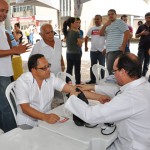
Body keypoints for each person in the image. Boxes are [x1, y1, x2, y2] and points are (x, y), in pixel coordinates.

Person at [65, 53, 150, 150]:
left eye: (114, 71)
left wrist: (72, 98)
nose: (114, 75)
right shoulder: (144, 86)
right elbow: (117, 91)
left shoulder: (129, 98)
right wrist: (93, 87)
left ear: (123, 72)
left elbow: (91, 115)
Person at [15, 54, 109, 129]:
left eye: (48, 66)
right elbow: (25, 108)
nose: (48, 70)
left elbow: (74, 90)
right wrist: (45, 117)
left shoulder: (50, 77)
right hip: (27, 122)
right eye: (44, 68)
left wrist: (99, 97)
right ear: (33, 70)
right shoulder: (22, 82)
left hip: (47, 119)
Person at [0, 0, 30, 132]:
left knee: (6, 104)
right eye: (1, 10)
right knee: (7, 106)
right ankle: (13, 136)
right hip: (1, 74)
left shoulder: (2, 28)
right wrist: (15, 50)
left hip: (5, 72)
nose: (4, 14)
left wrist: (14, 49)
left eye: (6, 11)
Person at [100, 9, 130, 74]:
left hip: (116, 50)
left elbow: (127, 32)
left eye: (112, 14)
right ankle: (113, 83)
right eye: (109, 14)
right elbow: (101, 34)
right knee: (110, 69)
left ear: (116, 15)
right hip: (109, 50)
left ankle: (114, 83)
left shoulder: (119, 22)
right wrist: (105, 25)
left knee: (112, 70)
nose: (110, 15)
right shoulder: (107, 24)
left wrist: (123, 46)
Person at [85, 15, 106, 84]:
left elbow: (108, 39)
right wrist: (86, 46)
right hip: (93, 51)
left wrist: (105, 49)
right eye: (95, 19)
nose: (96, 20)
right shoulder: (92, 28)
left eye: (98, 19)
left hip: (102, 52)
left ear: (101, 20)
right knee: (93, 67)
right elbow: (86, 37)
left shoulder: (104, 28)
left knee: (102, 66)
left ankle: (102, 80)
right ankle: (93, 80)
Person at [62, 17, 83, 84]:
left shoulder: (67, 31)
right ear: (71, 23)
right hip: (76, 53)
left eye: (79, 23)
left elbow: (65, 40)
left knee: (69, 69)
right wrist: (81, 39)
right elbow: (80, 44)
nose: (78, 24)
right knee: (77, 70)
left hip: (68, 53)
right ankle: (78, 84)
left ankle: (67, 82)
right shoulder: (76, 32)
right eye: (76, 22)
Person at [135, 12, 150, 77]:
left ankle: (143, 76)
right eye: (147, 18)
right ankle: (138, 76)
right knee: (139, 62)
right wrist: (141, 33)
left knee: (146, 63)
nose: (148, 19)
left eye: (149, 17)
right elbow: (136, 36)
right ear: (145, 18)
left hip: (149, 49)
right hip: (141, 47)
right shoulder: (141, 26)